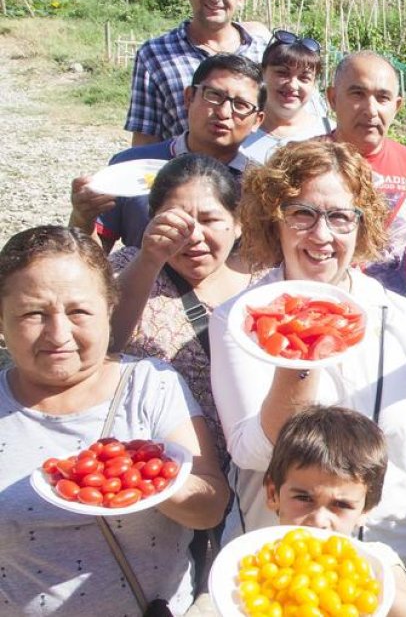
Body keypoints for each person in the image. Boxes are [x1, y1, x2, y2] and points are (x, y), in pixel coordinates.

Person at [209, 141, 406, 606]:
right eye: (301, 213)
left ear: (361, 225)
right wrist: (299, 349)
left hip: (396, 555)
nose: (322, 234)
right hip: (283, 569)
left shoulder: (400, 316)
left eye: (341, 217)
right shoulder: (241, 318)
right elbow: (250, 452)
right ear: (273, 218)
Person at [0, 225, 228, 615]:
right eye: (33, 313)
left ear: (109, 309)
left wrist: (149, 483)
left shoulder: (150, 384)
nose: (58, 334)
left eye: (78, 312)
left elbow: (211, 505)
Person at [106, 154, 258, 464]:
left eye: (210, 219)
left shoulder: (265, 281)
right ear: (152, 219)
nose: (194, 236)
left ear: (239, 223)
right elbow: (103, 347)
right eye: (176, 220)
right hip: (157, 469)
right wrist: (150, 258)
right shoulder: (128, 267)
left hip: (253, 469)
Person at [71, 53, 265, 251]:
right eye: (214, 95)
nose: (224, 113)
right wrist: (82, 217)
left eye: (241, 105)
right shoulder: (131, 167)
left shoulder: (262, 186)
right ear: (189, 97)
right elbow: (90, 263)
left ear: (257, 120)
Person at [261, 406, 406, 617]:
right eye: (304, 498)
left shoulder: (374, 560)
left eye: (341, 505)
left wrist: (366, 585)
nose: (319, 521)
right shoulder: (258, 560)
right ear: (273, 494)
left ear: (366, 508)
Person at [325, 52, 406, 302]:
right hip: (321, 314)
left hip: (394, 320)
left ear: (397, 106)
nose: (371, 109)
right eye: (357, 94)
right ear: (333, 98)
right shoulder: (304, 163)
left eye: (382, 98)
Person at [125, 0, 268, 146]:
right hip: (183, 173)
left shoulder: (265, 52)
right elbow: (145, 139)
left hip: (252, 175)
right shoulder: (155, 55)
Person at [238, 30, 333, 165]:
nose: (292, 85)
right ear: (262, 72)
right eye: (282, 73)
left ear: (314, 83)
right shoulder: (239, 131)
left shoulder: (329, 132)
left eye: (304, 78)